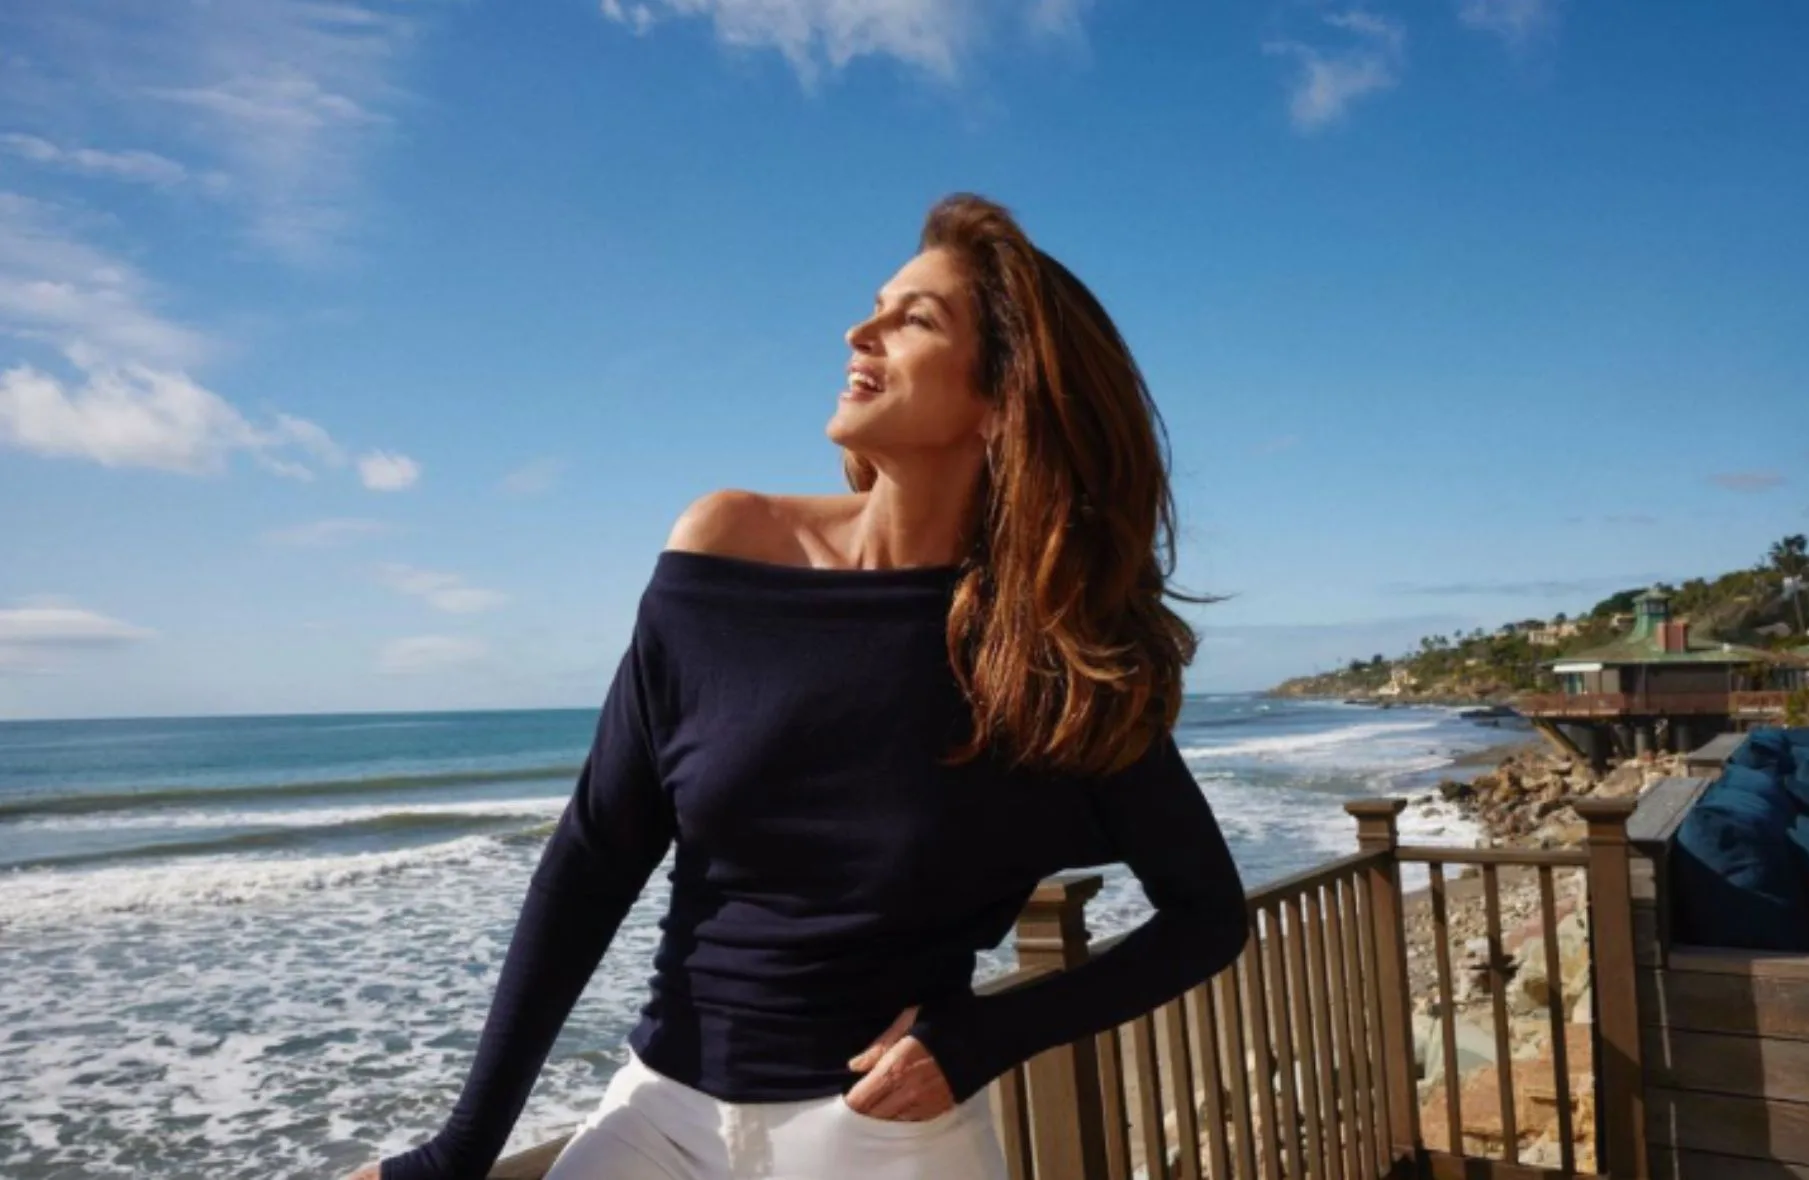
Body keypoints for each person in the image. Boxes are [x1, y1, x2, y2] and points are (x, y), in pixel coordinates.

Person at [351, 194, 1249, 1180]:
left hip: (881, 1138)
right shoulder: (725, 548)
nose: (859, 331)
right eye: (876, 305)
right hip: (659, 1111)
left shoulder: (1043, 657)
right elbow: (594, 857)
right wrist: (457, 1153)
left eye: (915, 318)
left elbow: (1207, 911)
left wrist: (987, 1035)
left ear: (1000, 399)